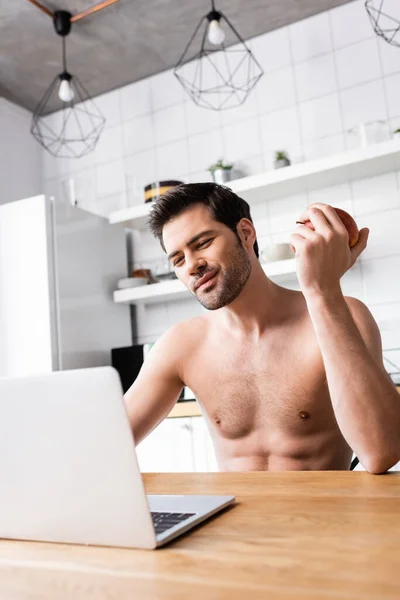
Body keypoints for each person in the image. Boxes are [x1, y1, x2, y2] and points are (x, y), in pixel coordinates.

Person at [124, 183, 400, 473]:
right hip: (235, 517)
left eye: (202, 243)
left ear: (245, 233)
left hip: (324, 516)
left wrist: (322, 289)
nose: (191, 265)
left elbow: (382, 452)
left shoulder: (343, 313)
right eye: (178, 259)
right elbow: (107, 441)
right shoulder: (181, 343)